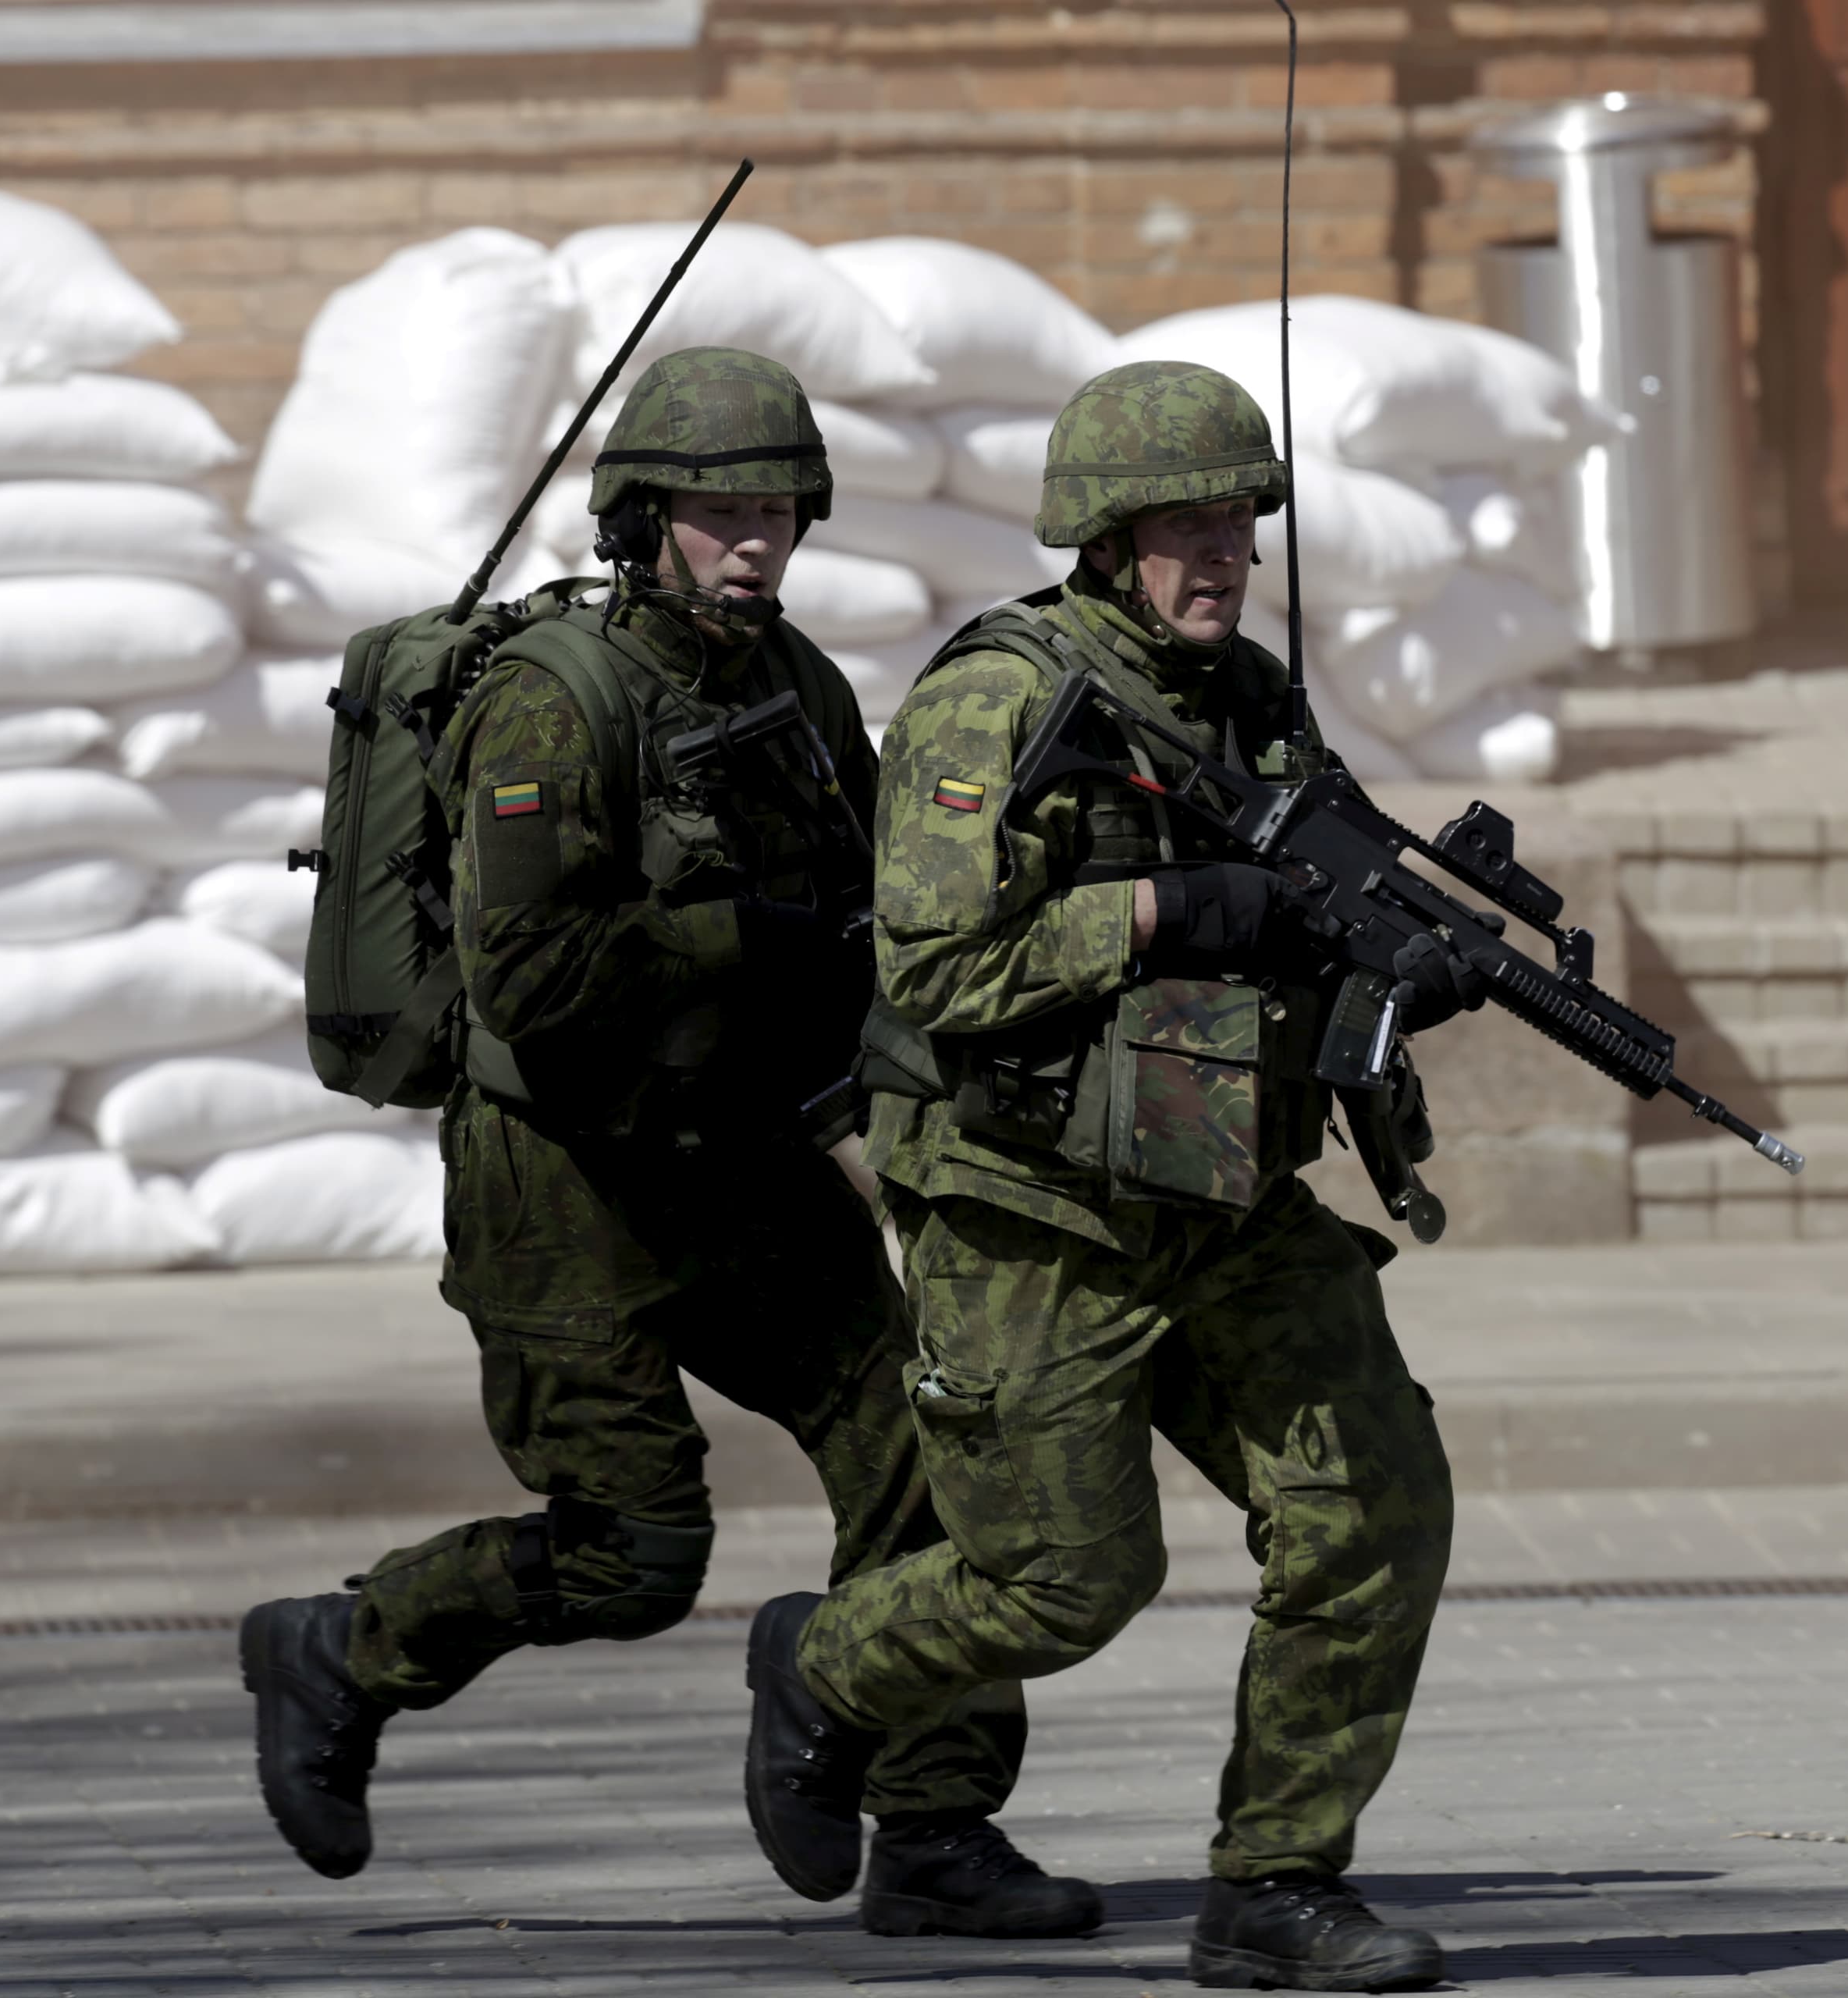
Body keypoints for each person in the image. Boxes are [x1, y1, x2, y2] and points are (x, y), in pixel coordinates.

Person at [237, 347, 1097, 1942]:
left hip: (739, 1152)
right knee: (632, 1556)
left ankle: (935, 1823)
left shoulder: (799, 690)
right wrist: (741, 937)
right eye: (719, 511)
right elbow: (534, 981)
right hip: (565, 1177)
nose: (753, 541)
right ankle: (341, 1650)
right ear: (642, 520)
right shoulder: (552, 702)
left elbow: (869, 914)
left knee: (926, 1442)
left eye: (777, 509)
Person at [740, 361, 1464, 1993]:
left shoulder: (1254, 699)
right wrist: (1162, 910)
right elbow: (936, 965)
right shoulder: (995, 699)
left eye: (1238, 522)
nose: (1220, 555)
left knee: (1375, 1508)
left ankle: (1274, 1883)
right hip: (1029, 1203)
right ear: (1106, 539)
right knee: (1067, 1579)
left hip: (1218, 1183)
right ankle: (827, 1664)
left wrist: (1392, 957)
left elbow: (1303, 901)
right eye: (1182, 526)